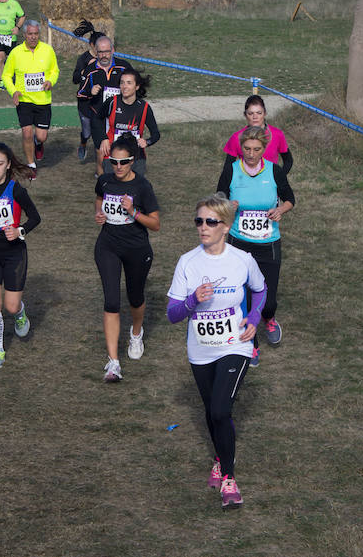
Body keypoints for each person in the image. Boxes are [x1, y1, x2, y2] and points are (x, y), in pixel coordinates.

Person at [166, 193, 266, 509]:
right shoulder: (188, 262)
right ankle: (220, 458)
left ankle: (229, 478)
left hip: (235, 344)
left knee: (221, 410)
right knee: (212, 411)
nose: (203, 227)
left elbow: (260, 290)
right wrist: (192, 300)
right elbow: (172, 314)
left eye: (211, 221)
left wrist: (253, 318)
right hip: (201, 349)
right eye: (199, 221)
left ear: (226, 226)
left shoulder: (242, 260)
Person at [216, 125, 295, 366]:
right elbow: (218, 196)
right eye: (247, 149)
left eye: (256, 149)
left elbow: (290, 198)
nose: (250, 153)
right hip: (239, 242)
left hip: (268, 242)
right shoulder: (231, 170)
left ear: (264, 149)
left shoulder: (274, 171)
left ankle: (269, 318)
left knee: (267, 300)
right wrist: (228, 204)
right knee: (245, 297)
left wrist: (280, 209)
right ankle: (252, 345)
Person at [93, 134, 161, 382]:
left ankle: (136, 332)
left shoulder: (142, 186)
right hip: (107, 246)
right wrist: (99, 214)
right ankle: (113, 363)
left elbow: (155, 224)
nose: (118, 167)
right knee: (111, 301)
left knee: (135, 298)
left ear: (133, 161)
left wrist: (133, 212)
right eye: (113, 162)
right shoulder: (105, 181)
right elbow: (99, 199)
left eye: (123, 162)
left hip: (136, 248)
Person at [0, 143, 42, 369]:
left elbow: (35, 218)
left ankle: (20, 313)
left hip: (14, 253)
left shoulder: (16, 190)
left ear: (8, 165)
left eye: (0, 164)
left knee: (10, 306)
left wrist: (19, 231)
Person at [1, 20, 59, 179]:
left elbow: (55, 70)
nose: (33, 37)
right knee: (26, 132)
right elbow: (6, 75)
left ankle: (38, 143)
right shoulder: (16, 52)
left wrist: (50, 81)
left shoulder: (47, 50)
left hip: (43, 101)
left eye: (36, 34)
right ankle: (30, 164)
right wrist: (13, 91)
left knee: (41, 136)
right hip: (24, 100)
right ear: (24, 35)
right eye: (30, 34)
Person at [92, 67, 159, 178]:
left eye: (129, 83)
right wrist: (103, 138)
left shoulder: (144, 107)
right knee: (113, 190)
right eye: (122, 83)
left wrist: (147, 142)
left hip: (136, 157)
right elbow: (96, 119)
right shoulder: (112, 102)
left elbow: (156, 134)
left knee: (135, 191)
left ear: (137, 86)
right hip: (113, 156)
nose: (124, 86)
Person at [76, 36, 130, 164]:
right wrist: (91, 91)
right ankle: (102, 175)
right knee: (98, 145)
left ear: (113, 50)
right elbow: (80, 93)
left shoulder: (124, 67)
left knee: (118, 146)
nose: (104, 55)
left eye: (107, 52)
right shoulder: (90, 71)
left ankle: (114, 171)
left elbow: (135, 85)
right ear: (96, 52)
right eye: (100, 52)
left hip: (118, 113)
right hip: (97, 114)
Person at [222, 95, 293, 174]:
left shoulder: (277, 134)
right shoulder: (237, 137)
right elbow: (227, 168)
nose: (255, 117)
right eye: (250, 113)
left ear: (265, 113)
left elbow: (288, 160)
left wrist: (279, 178)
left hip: (269, 183)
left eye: (259, 113)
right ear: (245, 115)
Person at [72, 20, 106, 162]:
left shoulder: (106, 58)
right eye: (100, 48)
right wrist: (87, 70)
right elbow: (75, 79)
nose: (103, 51)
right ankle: (83, 143)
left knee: (102, 131)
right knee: (87, 132)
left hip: (101, 101)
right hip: (85, 101)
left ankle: (104, 159)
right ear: (92, 45)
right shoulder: (84, 59)